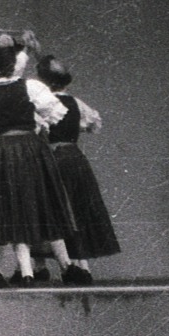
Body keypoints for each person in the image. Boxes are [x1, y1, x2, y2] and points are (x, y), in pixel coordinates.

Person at [0, 34, 77, 287]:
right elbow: (53, 112)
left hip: (4, 151)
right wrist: (38, 130)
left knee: (4, 208)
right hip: (30, 149)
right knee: (40, 203)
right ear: (13, 64)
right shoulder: (30, 86)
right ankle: (63, 266)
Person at [34, 55, 119, 284]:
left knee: (52, 210)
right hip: (74, 157)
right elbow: (93, 124)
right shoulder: (76, 103)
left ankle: (47, 265)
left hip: (53, 158)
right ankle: (82, 266)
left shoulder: (43, 104)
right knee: (75, 209)